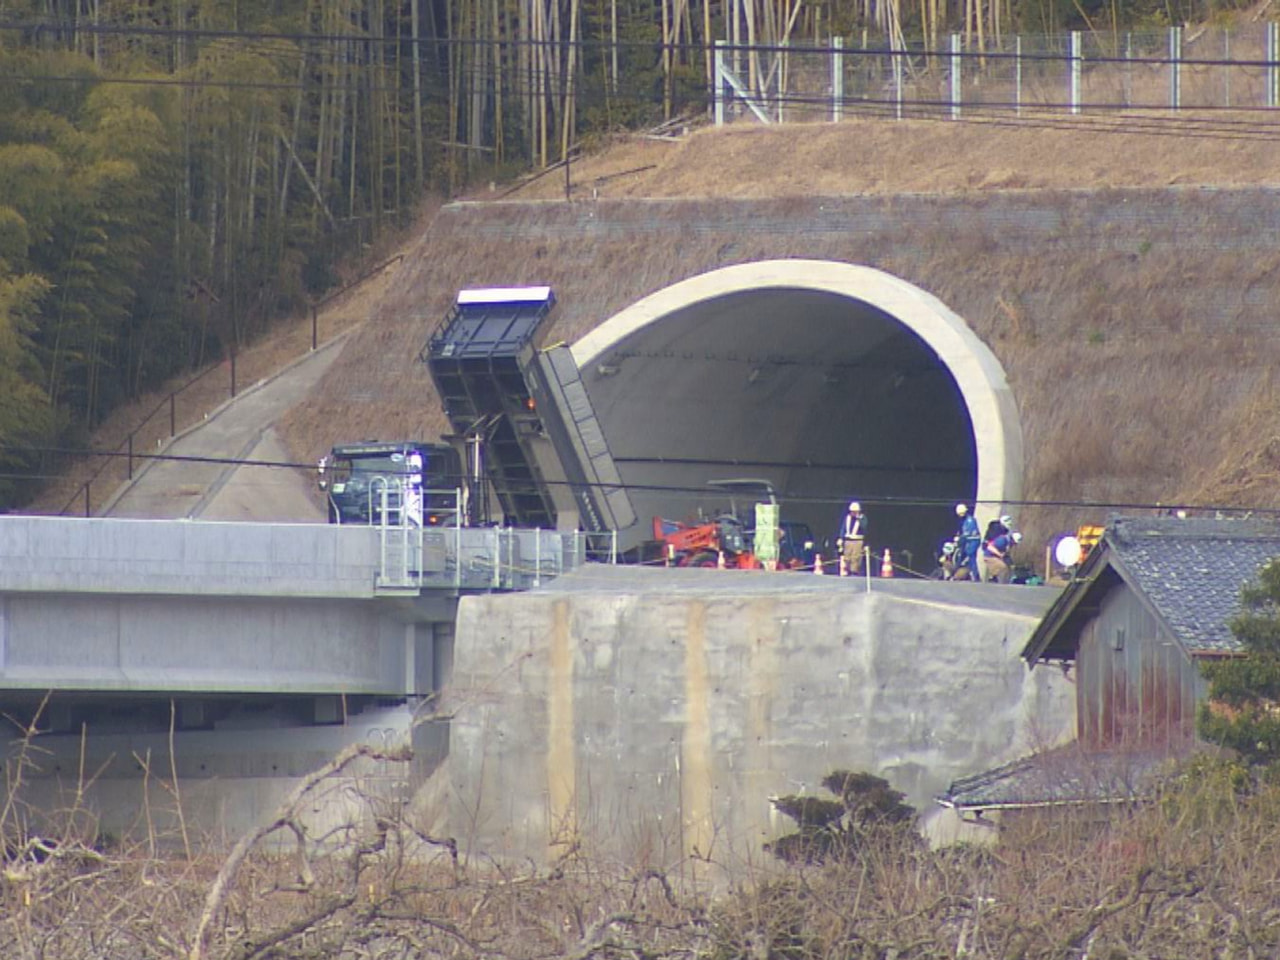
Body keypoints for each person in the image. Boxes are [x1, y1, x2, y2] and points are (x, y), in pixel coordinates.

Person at [838, 501, 867, 574]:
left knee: (855, 558)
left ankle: (854, 572)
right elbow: (843, 528)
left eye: (855, 511)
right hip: (848, 541)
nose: (853, 513)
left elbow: (864, 527)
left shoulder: (862, 518)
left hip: (858, 541)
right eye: (852, 511)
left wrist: (859, 519)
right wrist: (841, 538)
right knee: (847, 558)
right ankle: (847, 571)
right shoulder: (847, 518)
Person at [955, 503, 981, 582]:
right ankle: (969, 573)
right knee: (967, 557)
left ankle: (975, 575)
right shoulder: (964, 521)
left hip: (973, 541)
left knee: (971, 556)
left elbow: (967, 534)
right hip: (969, 540)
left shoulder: (970, 521)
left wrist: (959, 539)